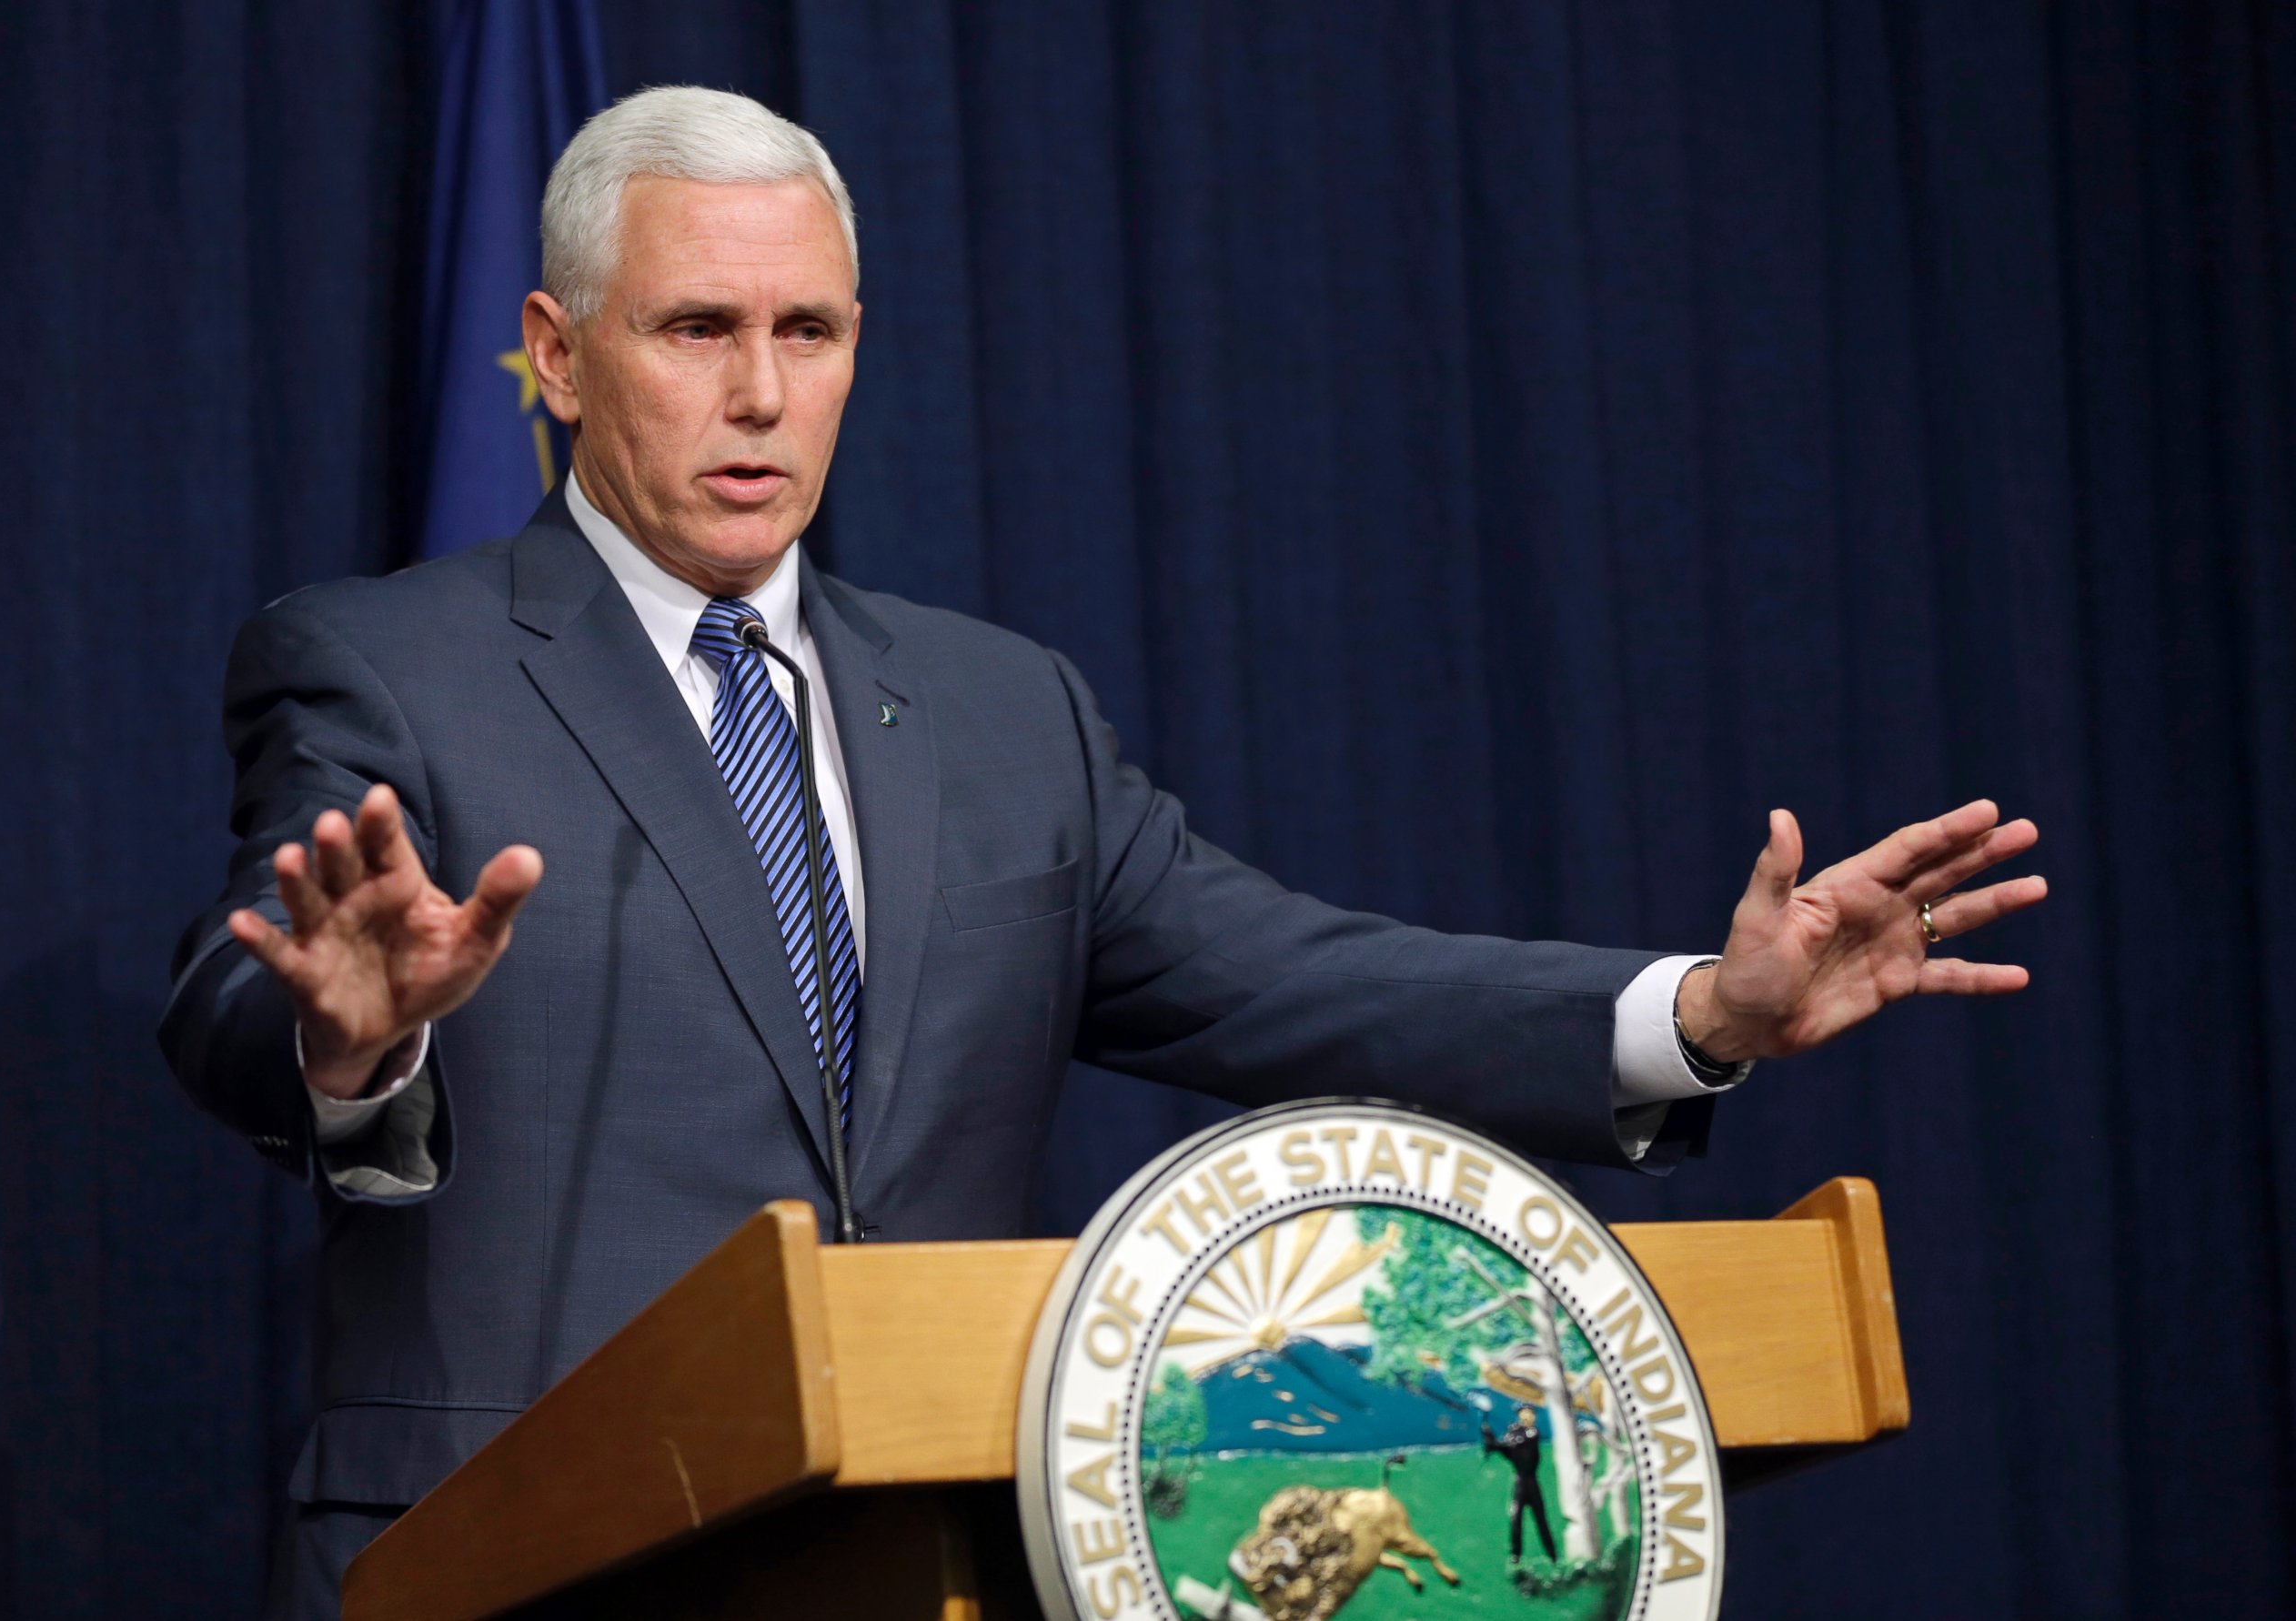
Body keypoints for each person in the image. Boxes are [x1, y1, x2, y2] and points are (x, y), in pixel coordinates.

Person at [158, 87, 2046, 1617]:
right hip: (520, 1562)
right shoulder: (384, 661)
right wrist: (355, 1039)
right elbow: (244, 986)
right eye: (696, 330)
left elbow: (1296, 981)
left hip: (931, 1558)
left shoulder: (1003, 716)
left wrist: (1700, 1007)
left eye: (804, 332)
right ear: (559, 358)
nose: (758, 394)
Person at [1482, 1407, 1559, 1566]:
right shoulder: (1514, 1432)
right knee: (1516, 1520)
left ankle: (1553, 1556)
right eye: (1524, 1413)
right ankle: (1515, 1557)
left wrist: (1500, 1444)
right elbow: (1508, 1452)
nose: (1527, 1416)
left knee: (1541, 1520)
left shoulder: (1532, 1433)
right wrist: (1491, 1440)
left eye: (1530, 1413)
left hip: (1532, 1482)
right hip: (1520, 1482)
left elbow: (1517, 1443)